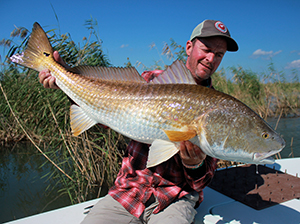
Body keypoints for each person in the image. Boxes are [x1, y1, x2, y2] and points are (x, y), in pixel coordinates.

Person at [39, 19, 238, 224]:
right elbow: (105, 118)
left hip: (175, 198)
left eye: (219, 54)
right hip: (128, 191)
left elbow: (200, 184)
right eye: (206, 49)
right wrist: (64, 77)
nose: (211, 58)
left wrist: (195, 165)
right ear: (189, 47)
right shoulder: (150, 81)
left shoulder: (220, 109)